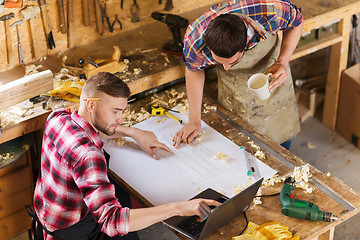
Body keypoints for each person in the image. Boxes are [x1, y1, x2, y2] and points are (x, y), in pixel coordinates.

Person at [30, 72, 220, 240]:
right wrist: (177, 208)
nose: (120, 119)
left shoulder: (58, 117)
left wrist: (134, 133)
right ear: (90, 105)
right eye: (115, 111)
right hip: (72, 227)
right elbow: (111, 221)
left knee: (121, 196)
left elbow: (97, 128)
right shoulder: (89, 155)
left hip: (47, 211)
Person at [173, 0, 304, 150]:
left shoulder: (270, 10)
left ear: (246, 41)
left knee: (282, 139)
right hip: (236, 87)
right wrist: (194, 119)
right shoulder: (195, 38)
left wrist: (283, 61)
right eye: (219, 62)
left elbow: (297, 21)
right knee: (242, 144)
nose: (226, 68)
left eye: (232, 62)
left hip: (274, 72)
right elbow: (193, 69)